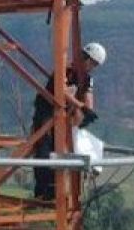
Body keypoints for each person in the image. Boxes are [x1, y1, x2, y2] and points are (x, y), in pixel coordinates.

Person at [32, 41, 106, 200]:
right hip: (46, 112)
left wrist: (88, 112)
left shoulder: (87, 79)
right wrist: (81, 106)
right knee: (44, 149)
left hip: (62, 116)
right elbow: (62, 92)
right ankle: (42, 188)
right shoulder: (64, 71)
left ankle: (54, 188)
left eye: (94, 65)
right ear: (84, 57)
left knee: (60, 150)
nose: (91, 67)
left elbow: (88, 97)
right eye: (91, 63)